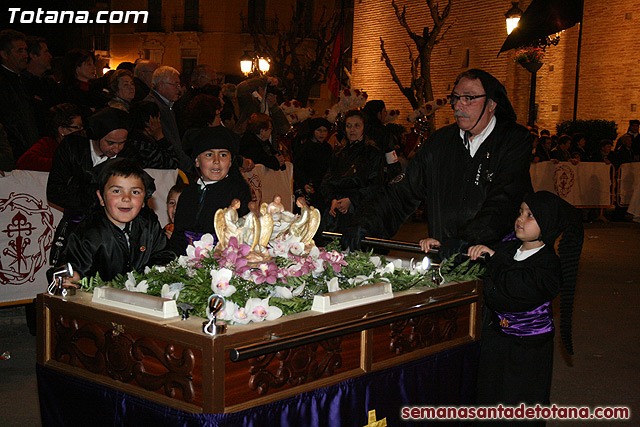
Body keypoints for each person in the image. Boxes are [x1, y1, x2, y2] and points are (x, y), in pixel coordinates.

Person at [342, 69, 533, 256]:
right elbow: (400, 192)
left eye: (468, 98)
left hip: (494, 259)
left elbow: (504, 200)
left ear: (491, 103)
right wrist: (364, 223)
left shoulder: (513, 141)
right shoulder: (440, 142)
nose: (458, 105)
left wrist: (468, 239)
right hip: (444, 256)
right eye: (455, 98)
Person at [469, 191, 583, 418]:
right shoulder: (507, 249)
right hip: (497, 343)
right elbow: (476, 267)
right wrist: (442, 247)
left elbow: (516, 288)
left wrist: (495, 259)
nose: (520, 219)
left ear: (547, 223)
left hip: (527, 351)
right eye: (520, 212)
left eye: (530, 215)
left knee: (517, 406)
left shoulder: (548, 265)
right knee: (489, 401)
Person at [58, 158, 175, 284]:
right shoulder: (87, 234)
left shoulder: (149, 224)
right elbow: (69, 271)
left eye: (135, 192)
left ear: (144, 200)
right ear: (101, 197)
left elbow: (163, 255)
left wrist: (157, 273)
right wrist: (72, 279)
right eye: (116, 191)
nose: (126, 198)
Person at [46, 107, 132, 271]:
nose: (117, 149)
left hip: (111, 229)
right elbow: (54, 191)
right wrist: (91, 199)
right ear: (96, 136)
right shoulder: (72, 147)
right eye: (110, 142)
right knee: (66, 275)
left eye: (122, 143)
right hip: (75, 225)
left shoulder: (128, 154)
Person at [168, 126, 252, 255]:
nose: (216, 161)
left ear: (230, 162)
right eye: (209, 155)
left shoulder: (238, 193)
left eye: (223, 155)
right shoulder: (188, 194)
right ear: (196, 161)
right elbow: (179, 235)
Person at [321, 109, 384, 234]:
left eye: (357, 126)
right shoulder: (339, 154)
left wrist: (351, 200)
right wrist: (332, 199)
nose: (352, 130)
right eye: (348, 126)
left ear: (364, 128)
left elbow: (376, 184)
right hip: (335, 211)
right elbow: (327, 181)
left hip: (360, 211)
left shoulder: (372, 153)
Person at [143, 65, 192, 173]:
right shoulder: (154, 107)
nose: (179, 88)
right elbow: (170, 140)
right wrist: (187, 165)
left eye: (179, 84)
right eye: (175, 84)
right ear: (160, 85)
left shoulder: (166, 105)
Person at [0, 29, 39, 163]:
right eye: (19, 51)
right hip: (14, 154)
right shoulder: (3, 84)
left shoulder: (25, 81)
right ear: (5, 54)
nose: (25, 55)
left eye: (25, 50)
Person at [16, 103, 82, 171]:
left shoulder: (81, 146)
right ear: (62, 130)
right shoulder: (48, 144)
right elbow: (24, 161)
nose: (81, 130)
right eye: (78, 127)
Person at [123, 101, 179, 169]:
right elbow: (174, 164)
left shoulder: (129, 139)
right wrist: (160, 137)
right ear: (153, 121)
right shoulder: (146, 148)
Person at [294, 117, 333, 211]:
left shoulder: (327, 148)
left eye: (325, 131)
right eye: (319, 130)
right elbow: (298, 168)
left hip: (323, 186)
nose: (322, 133)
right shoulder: (305, 148)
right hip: (308, 186)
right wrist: (304, 183)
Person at [58, 48, 108, 120]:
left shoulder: (96, 88)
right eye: (89, 64)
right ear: (76, 67)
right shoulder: (67, 90)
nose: (94, 68)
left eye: (93, 64)